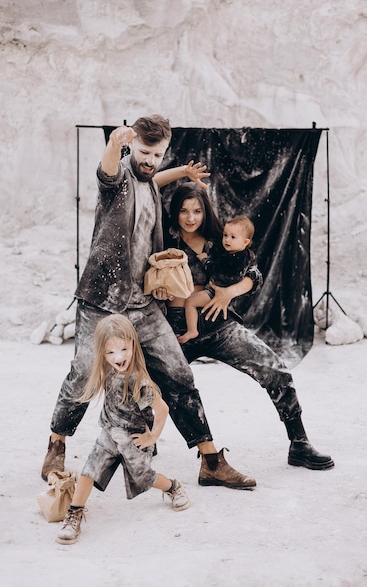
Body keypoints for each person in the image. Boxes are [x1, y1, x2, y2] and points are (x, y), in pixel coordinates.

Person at [41, 115, 257, 491]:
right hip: (102, 301)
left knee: (179, 374)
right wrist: (113, 144)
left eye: (157, 154)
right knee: (83, 374)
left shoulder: (149, 183)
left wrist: (180, 171)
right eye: (144, 152)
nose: (150, 160)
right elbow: (107, 172)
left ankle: (210, 461)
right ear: (131, 147)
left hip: (142, 303)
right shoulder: (120, 177)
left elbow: (153, 181)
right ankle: (57, 443)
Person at [164, 182, 335, 471]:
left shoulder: (222, 240)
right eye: (183, 211)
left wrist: (230, 292)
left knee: (275, 368)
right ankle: (143, 440)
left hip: (219, 325)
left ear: (206, 212)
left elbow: (254, 274)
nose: (190, 218)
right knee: (153, 383)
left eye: (197, 211)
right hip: (177, 329)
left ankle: (299, 442)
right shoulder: (163, 240)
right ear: (175, 212)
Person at [56, 314, 190, 545]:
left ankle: (173, 487)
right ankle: (74, 513)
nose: (118, 357)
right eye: (110, 352)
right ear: (102, 353)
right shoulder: (106, 372)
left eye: (123, 349)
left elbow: (163, 409)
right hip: (108, 433)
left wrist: (152, 436)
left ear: (133, 345)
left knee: (144, 477)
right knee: (89, 472)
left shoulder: (139, 382)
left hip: (132, 437)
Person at [178, 215, 257, 344]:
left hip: (216, 292)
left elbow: (215, 270)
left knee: (190, 302)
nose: (227, 240)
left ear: (245, 242)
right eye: (225, 235)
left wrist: (205, 260)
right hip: (220, 293)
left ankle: (192, 330)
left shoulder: (233, 258)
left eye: (232, 237)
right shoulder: (245, 255)